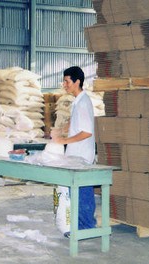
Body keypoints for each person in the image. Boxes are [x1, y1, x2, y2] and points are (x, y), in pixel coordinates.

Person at [51, 66, 96, 237]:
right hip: (75, 155)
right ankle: (79, 226)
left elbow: (87, 132)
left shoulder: (83, 102)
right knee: (76, 193)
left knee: (83, 193)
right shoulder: (78, 101)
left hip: (82, 157)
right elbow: (77, 123)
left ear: (77, 82)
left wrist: (63, 141)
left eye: (67, 81)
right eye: (64, 81)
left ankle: (87, 228)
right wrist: (61, 129)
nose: (64, 84)